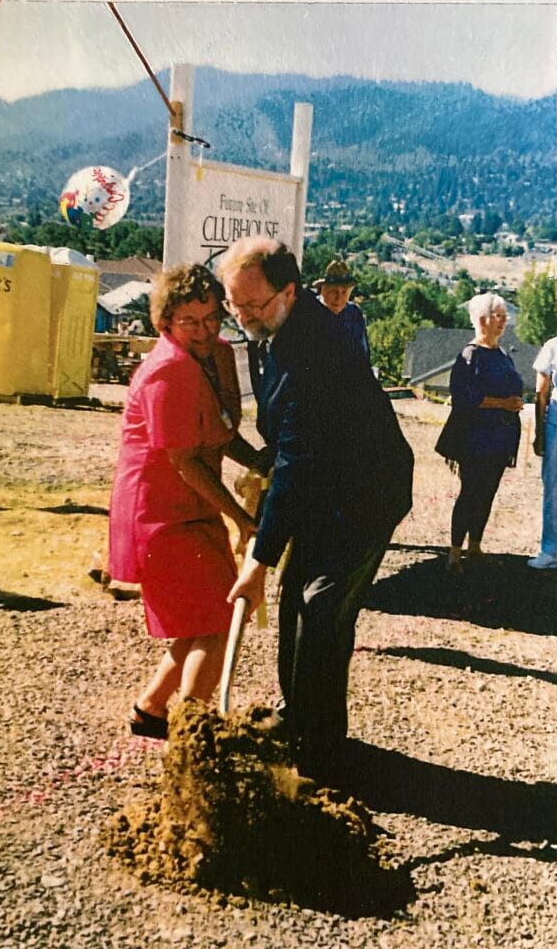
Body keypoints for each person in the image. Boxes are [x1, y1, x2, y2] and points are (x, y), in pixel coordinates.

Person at [217, 237, 413, 787]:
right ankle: (297, 712)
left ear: (289, 291)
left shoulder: (315, 348)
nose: (242, 315)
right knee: (295, 599)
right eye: (235, 304)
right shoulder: (270, 326)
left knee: (320, 608)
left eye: (252, 306)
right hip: (323, 483)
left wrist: (259, 558)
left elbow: (301, 457)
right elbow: (292, 447)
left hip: (365, 494)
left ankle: (322, 754)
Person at [108, 263, 261, 740]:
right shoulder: (168, 370)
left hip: (191, 505)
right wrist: (242, 520)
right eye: (188, 322)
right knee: (216, 619)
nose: (202, 330)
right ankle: (195, 736)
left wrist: (258, 461)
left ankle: (151, 709)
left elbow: (220, 430)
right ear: (165, 322)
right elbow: (185, 461)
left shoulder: (216, 354)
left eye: (211, 317)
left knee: (201, 619)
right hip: (161, 512)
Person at [445, 292, 523, 574]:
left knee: (488, 493)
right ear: (481, 319)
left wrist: (515, 400)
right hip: (475, 438)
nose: (503, 321)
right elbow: (465, 397)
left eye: (504, 315)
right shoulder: (470, 355)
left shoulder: (502, 354)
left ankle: (475, 547)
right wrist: (503, 403)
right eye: (498, 315)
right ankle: (454, 554)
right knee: (470, 493)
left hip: (500, 438)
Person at [528, 334, 557, 570]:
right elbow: (541, 393)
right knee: (554, 488)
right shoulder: (554, 346)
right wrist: (540, 432)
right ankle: (550, 550)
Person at [314, 259, 370, 362]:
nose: (338, 298)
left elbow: (363, 357)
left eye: (344, 292)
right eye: (334, 291)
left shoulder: (354, 314)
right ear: (323, 290)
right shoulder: (309, 311)